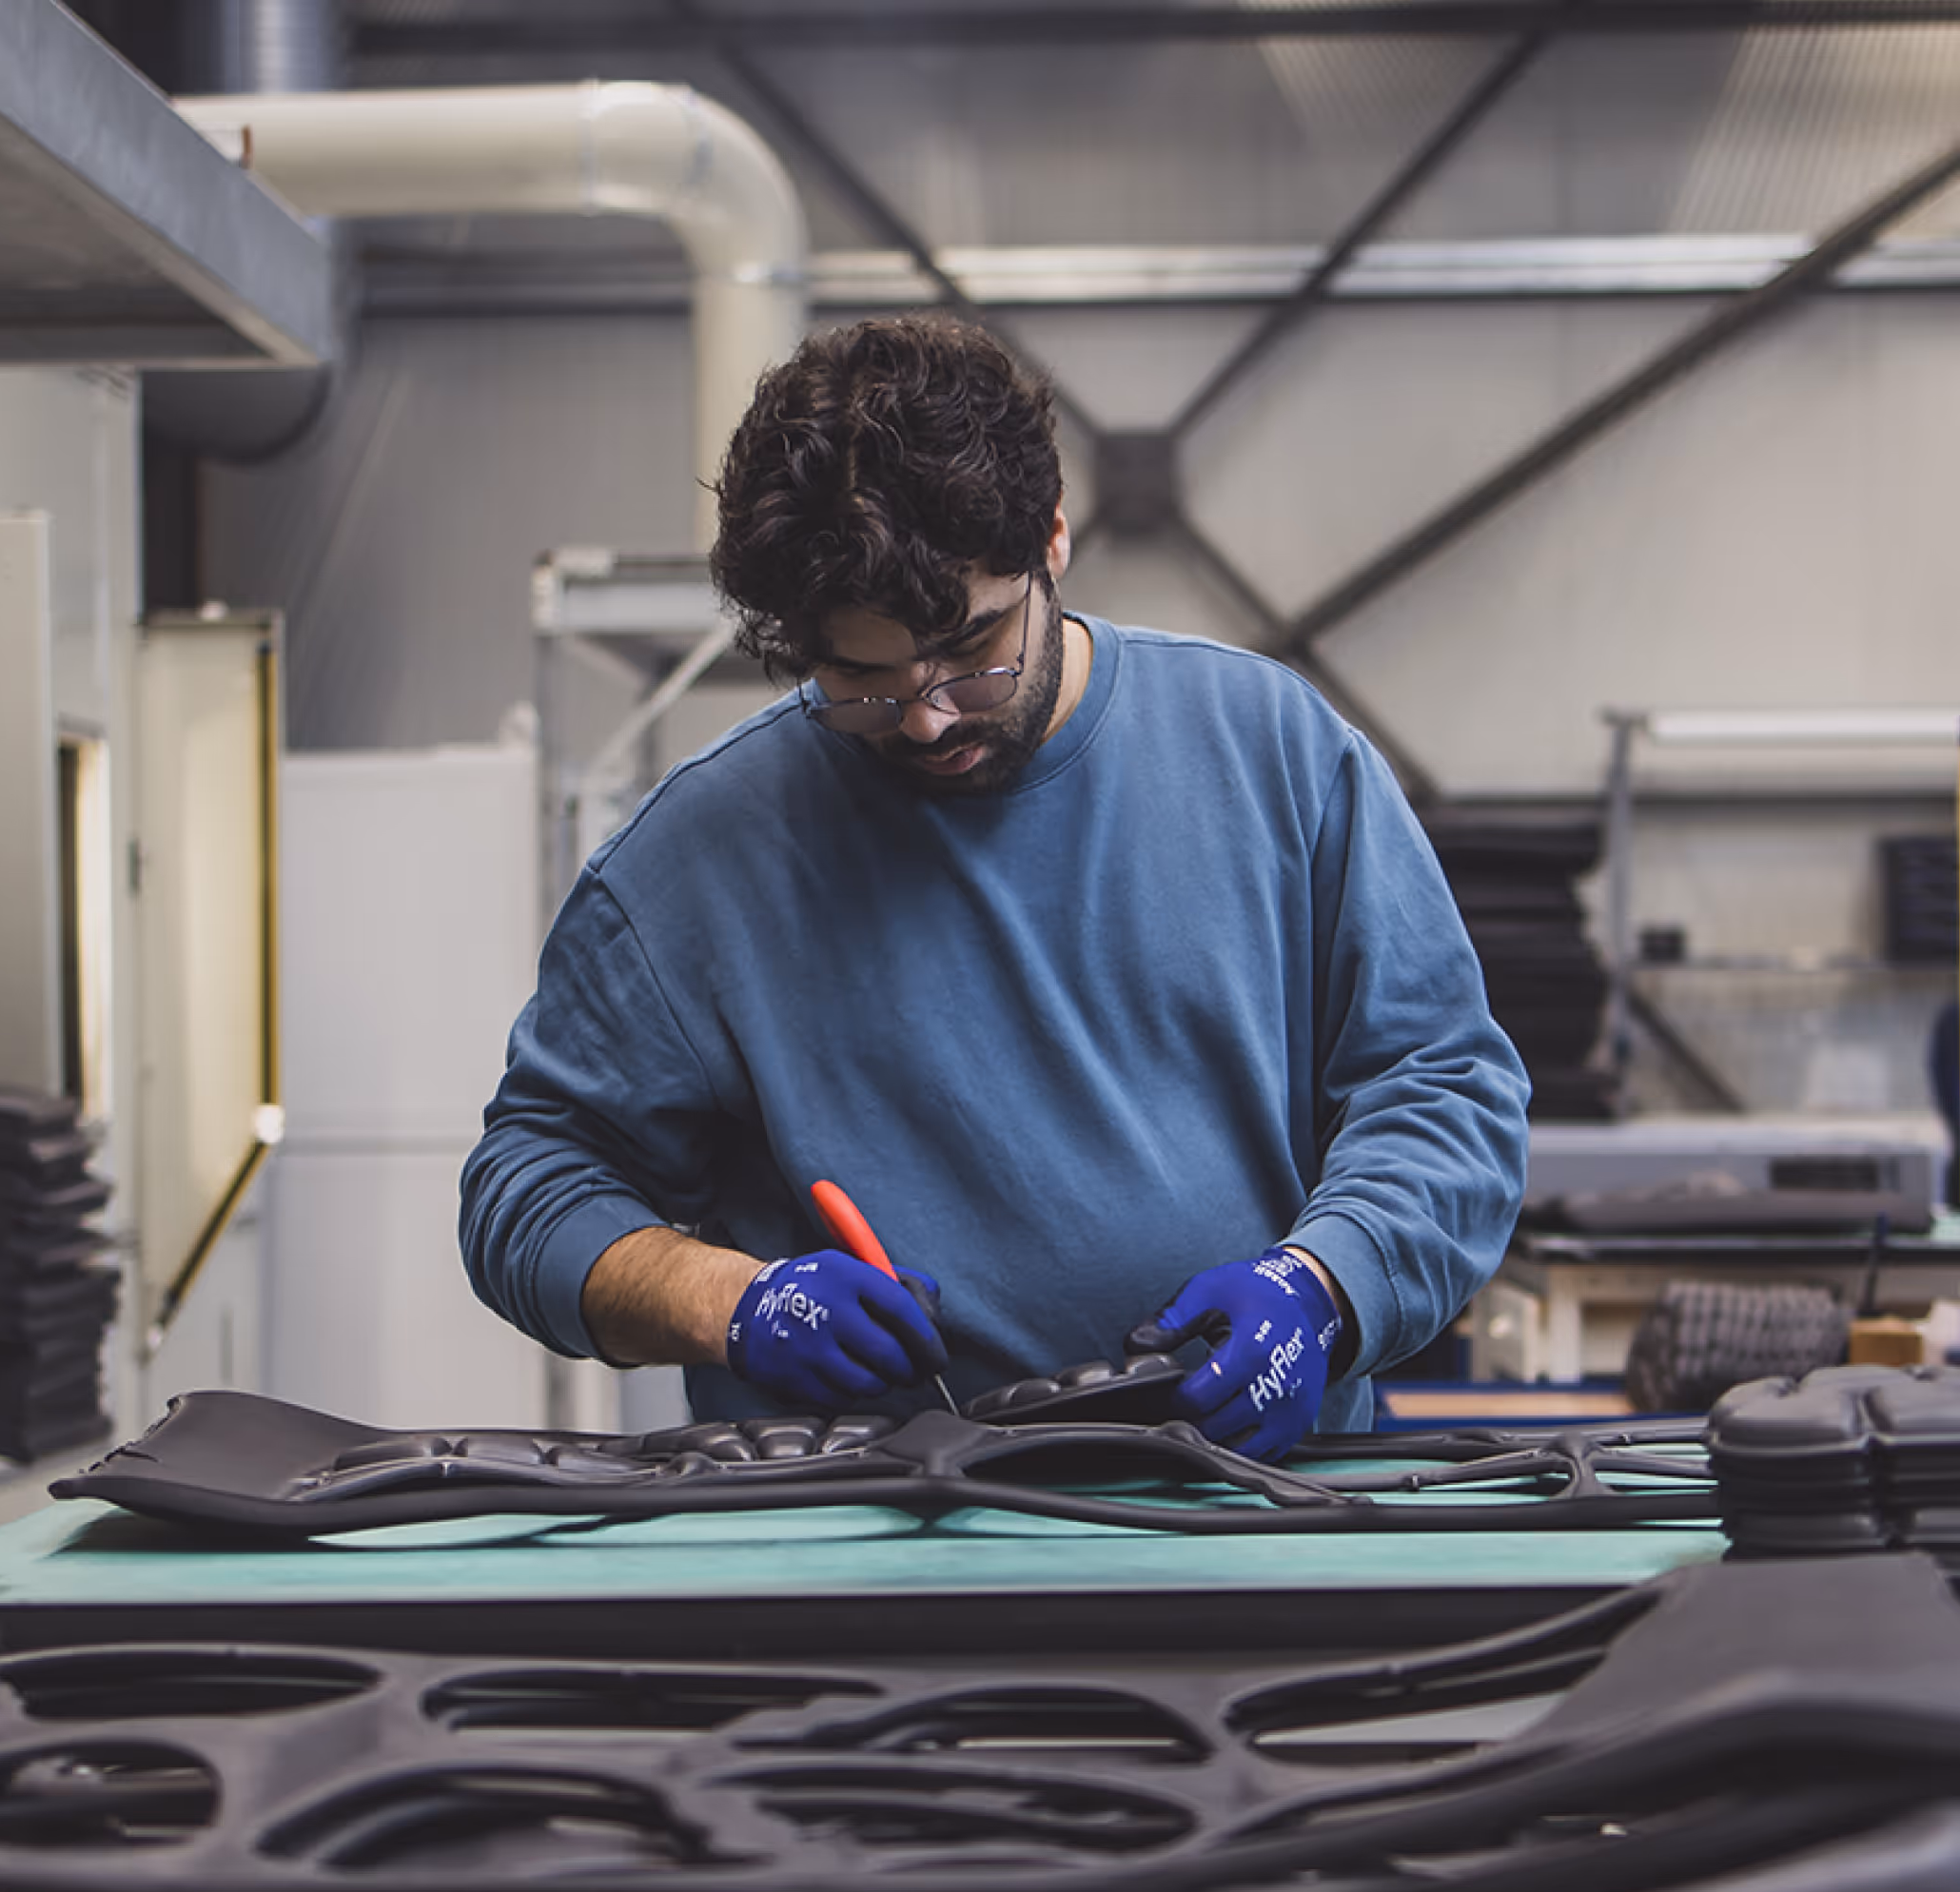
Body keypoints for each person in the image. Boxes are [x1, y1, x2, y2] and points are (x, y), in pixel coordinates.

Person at [459, 315, 1529, 1459]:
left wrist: (1322, 1285)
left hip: (1245, 1505)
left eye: (974, 652)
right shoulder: (699, 860)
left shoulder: (1273, 755)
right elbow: (529, 1183)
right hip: (859, 1534)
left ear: (1052, 538)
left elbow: (1444, 1087)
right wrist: (734, 1300)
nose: (927, 718)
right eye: (861, 680)